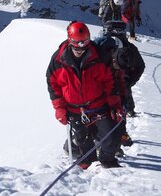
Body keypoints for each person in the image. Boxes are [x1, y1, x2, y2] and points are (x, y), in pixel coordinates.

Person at [46, 21, 124, 169]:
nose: (81, 48)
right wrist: (59, 108)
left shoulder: (99, 56)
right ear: (70, 41)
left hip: (99, 106)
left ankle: (108, 163)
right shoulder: (58, 60)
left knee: (111, 137)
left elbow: (110, 81)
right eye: (77, 44)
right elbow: (52, 84)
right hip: (74, 110)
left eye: (85, 43)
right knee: (84, 143)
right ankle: (87, 166)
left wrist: (115, 103)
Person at [94, 20, 145, 148]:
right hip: (120, 88)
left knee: (104, 117)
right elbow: (140, 66)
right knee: (119, 115)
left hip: (104, 90)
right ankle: (119, 140)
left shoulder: (98, 47)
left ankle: (108, 143)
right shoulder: (129, 48)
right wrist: (129, 82)